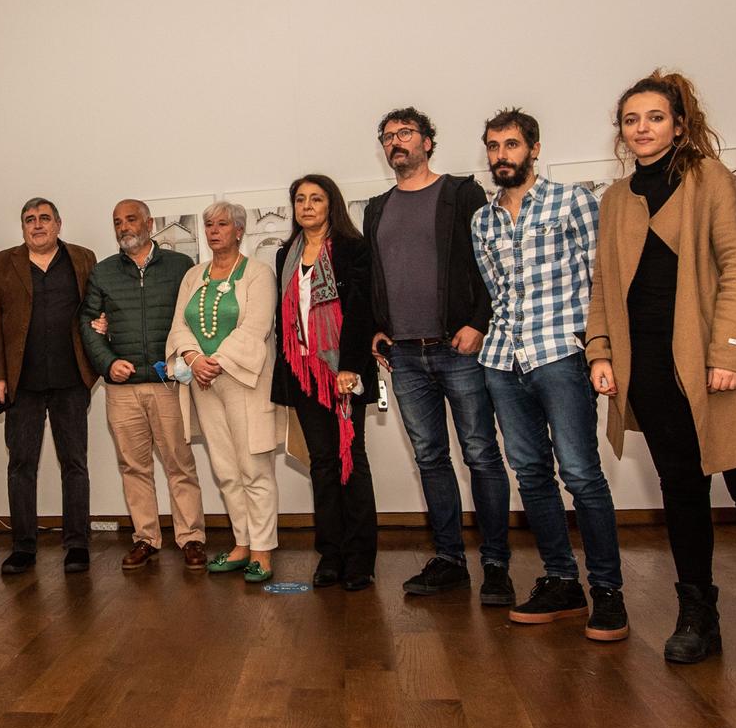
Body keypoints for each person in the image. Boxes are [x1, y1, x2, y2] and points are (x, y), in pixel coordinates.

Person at [585, 72, 736, 673]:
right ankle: (697, 613)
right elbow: (603, 286)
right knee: (681, 491)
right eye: (632, 120)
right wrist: (601, 351)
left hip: (716, 367)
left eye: (655, 117)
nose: (642, 129)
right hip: (650, 370)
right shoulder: (615, 199)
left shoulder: (710, 179)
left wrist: (729, 355)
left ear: (679, 124)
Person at [472, 108, 629, 642]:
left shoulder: (574, 201)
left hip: (560, 354)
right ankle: (562, 582)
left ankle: (608, 592)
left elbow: (598, 282)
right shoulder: (483, 220)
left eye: (511, 145)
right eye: (493, 147)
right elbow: (495, 293)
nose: (501, 156)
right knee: (532, 476)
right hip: (502, 362)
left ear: (533, 149)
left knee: (582, 476)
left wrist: (596, 351)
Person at [362, 107, 513, 603]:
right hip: (403, 355)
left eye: (405, 133)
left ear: (428, 141)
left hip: (458, 347)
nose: (396, 142)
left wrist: (478, 322)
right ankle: (449, 559)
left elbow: (490, 262)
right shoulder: (376, 207)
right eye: (388, 137)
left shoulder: (460, 193)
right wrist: (377, 328)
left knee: (480, 454)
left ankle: (495, 564)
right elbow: (376, 277)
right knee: (430, 457)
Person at [82, 199, 208, 570]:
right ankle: (146, 538)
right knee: (134, 468)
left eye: (131, 219)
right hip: (121, 391)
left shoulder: (181, 267)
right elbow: (87, 325)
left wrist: (183, 361)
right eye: (117, 221)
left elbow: (194, 319)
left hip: (168, 385)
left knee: (179, 465)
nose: (124, 227)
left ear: (149, 223)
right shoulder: (102, 273)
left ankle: (192, 538)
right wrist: (107, 363)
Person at [168, 201, 286, 582]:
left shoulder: (258, 274)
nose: (214, 230)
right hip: (203, 383)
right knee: (225, 470)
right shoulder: (194, 276)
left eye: (222, 224)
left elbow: (257, 328)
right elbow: (179, 325)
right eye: (208, 224)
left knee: (254, 469)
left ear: (239, 230)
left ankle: (263, 551)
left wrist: (214, 360)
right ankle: (242, 543)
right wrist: (192, 357)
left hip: (244, 381)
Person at [0, 198, 98, 576]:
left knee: (75, 464)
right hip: (22, 385)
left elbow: (96, 308)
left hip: (71, 381)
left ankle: (77, 544)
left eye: (44, 218)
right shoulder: (1, 264)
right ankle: (23, 547)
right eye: (29, 220)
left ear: (59, 224)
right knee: (21, 466)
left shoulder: (83, 259)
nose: (37, 225)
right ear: (22, 228)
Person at [272, 175, 379, 591]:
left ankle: (360, 559)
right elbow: (285, 319)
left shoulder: (353, 249)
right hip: (303, 375)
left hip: (342, 374)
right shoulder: (286, 254)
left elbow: (360, 311)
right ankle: (330, 555)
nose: (307, 206)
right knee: (322, 464)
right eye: (300, 199)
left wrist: (349, 366)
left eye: (316, 198)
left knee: (352, 459)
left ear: (331, 204)